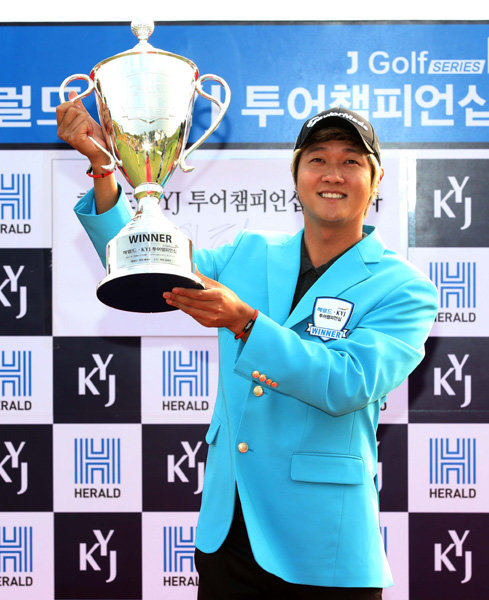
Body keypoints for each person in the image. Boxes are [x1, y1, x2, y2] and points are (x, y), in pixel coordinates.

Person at [57, 99, 438, 599]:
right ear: (295, 174)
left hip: (325, 547)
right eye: (318, 159)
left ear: (377, 178)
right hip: (229, 537)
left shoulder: (404, 287)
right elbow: (147, 262)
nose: (333, 174)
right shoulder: (247, 252)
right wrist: (105, 167)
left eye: (351, 160)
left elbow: (347, 383)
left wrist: (246, 323)